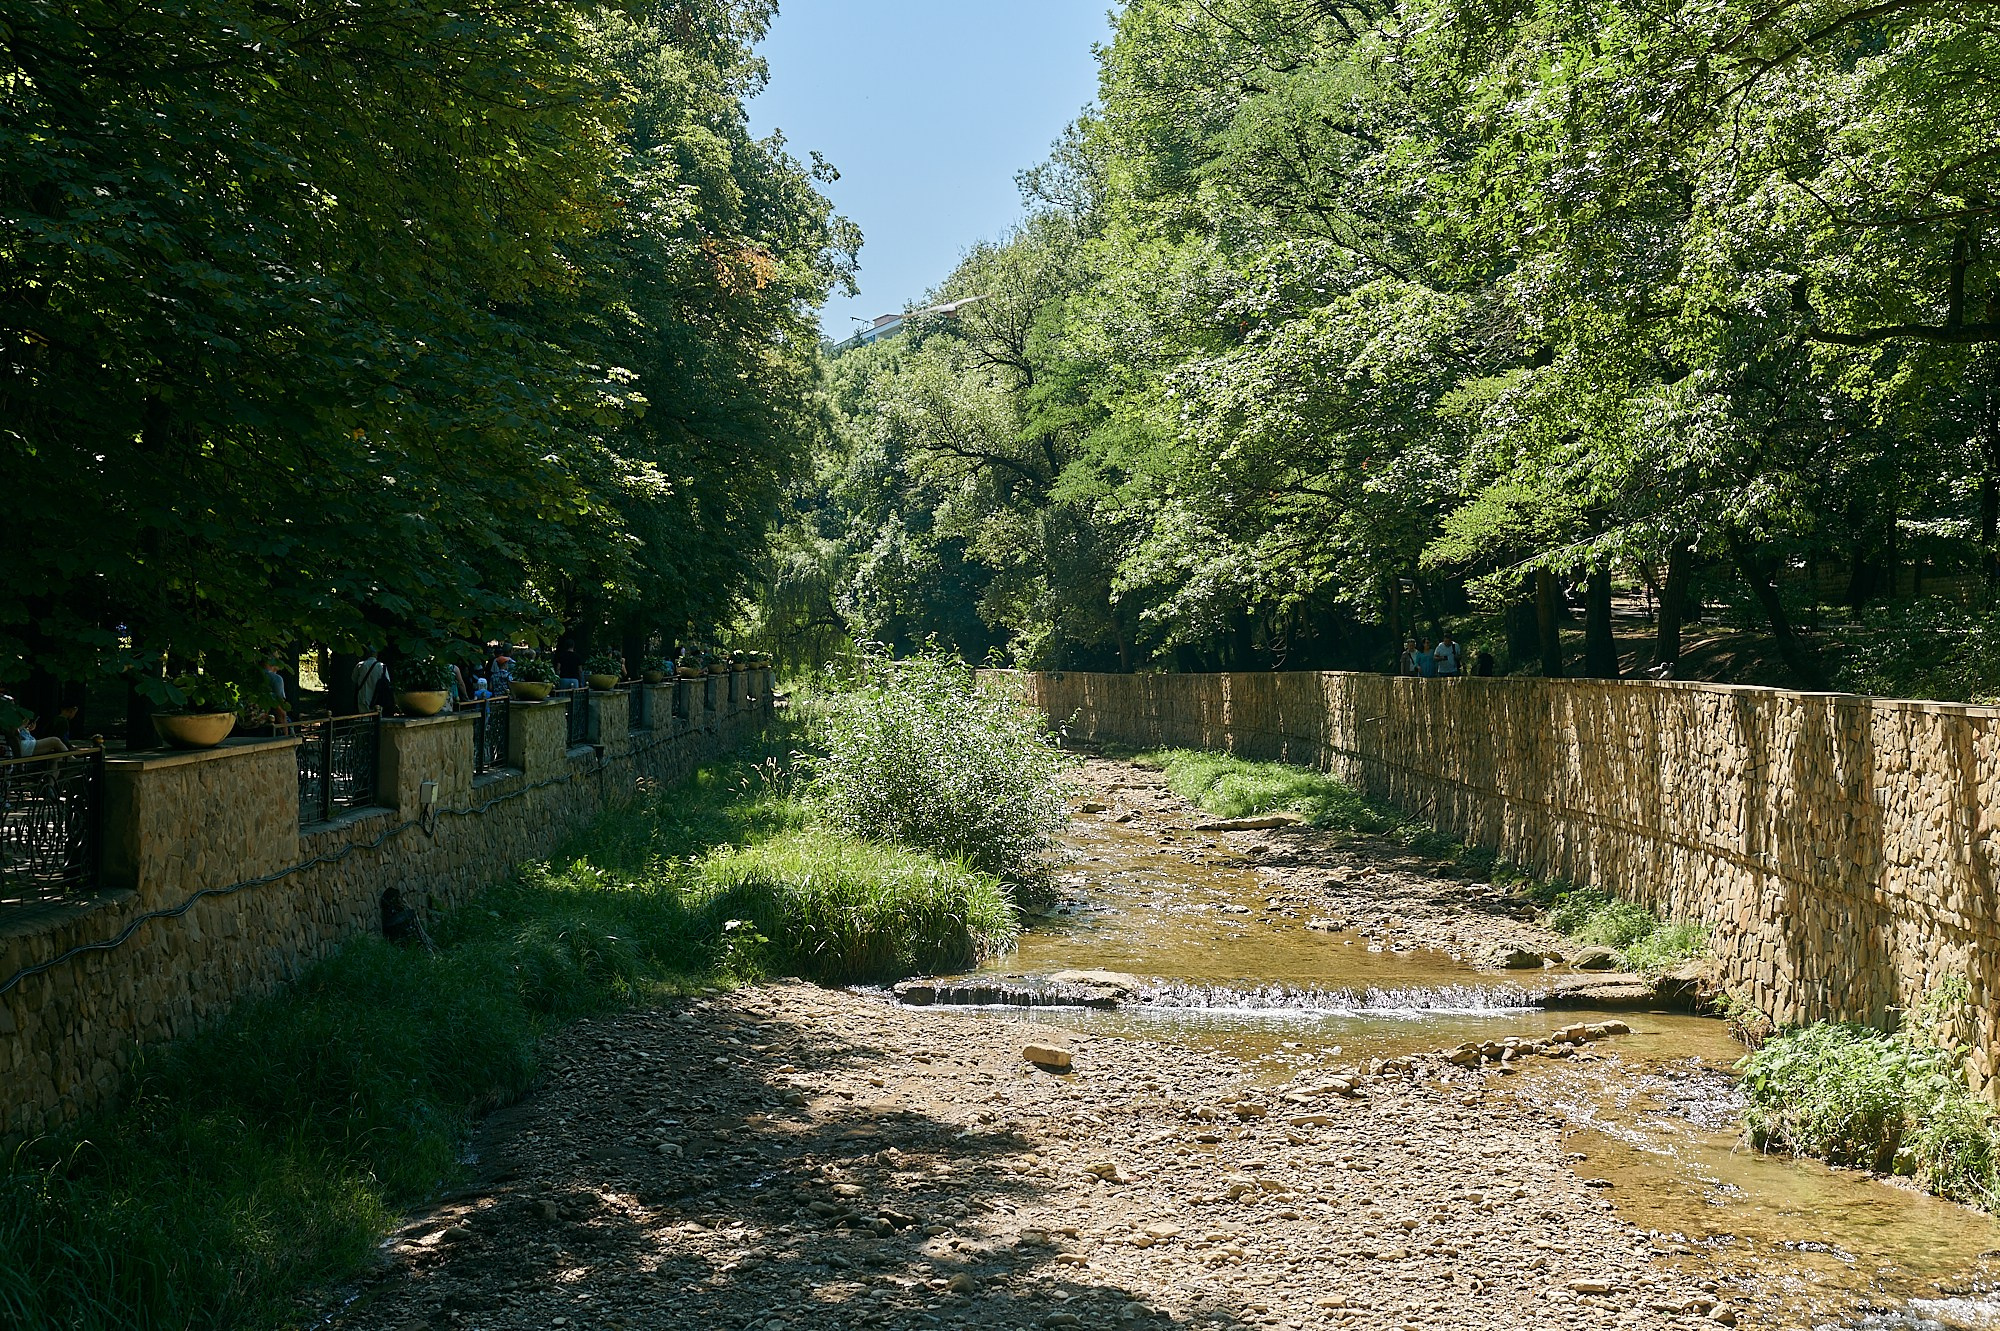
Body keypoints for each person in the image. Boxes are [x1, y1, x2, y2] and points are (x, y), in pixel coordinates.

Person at [351, 648, 391, 714]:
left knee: (363, 718)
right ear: (376, 654)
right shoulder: (382, 667)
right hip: (378, 699)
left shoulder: (360, 665)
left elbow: (354, 679)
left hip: (363, 696)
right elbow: (387, 682)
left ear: (367, 653)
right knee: (377, 718)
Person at [260, 656, 290, 721]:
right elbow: (281, 712)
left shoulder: (251, 674)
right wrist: (285, 729)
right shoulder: (276, 679)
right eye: (278, 659)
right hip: (266, 722)